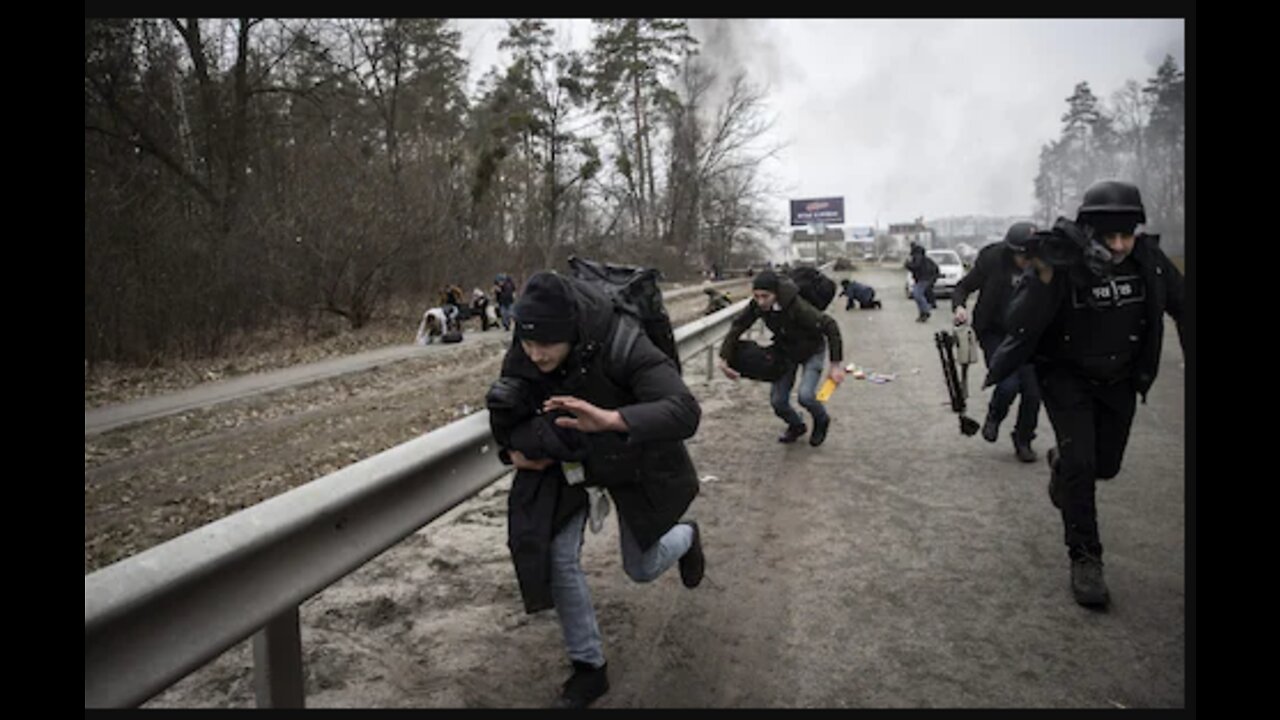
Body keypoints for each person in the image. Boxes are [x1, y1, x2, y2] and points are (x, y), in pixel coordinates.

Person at [488, 271, 706, 708]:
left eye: (545, 344)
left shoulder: (622, 341)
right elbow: (508, 413)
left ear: (570, 330)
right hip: (569, 455)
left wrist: (612, 420)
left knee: (641, 568)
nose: (535, 354)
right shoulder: (528, 346)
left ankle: (687, 537)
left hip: (631, 452)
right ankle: (589, 667)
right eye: (527, 343)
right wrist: (509, 453)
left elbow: (685, 411)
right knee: (557, 556)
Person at [985, 180, 1185, 609]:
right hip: (1067, 379)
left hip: (1119, 380)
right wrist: (1040, 278)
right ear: (1089, 232)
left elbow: (1183, 306)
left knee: (1105, 466)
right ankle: (1086, 558)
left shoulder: (1147, 260)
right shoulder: (1062, 263)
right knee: (1083, 464)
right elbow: (1017, 321)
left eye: (1125, 235)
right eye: (1108, 237)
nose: (1117, 246)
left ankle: (1062, 467)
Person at [716, 270, 846, 447]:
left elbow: (830, 325)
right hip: (786, 351)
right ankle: (796, 425)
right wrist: (724, 358)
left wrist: (835, 365)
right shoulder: (757, 305)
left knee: (806, 396)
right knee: (778, 402)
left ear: (776, 294)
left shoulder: (796, 305)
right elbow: (738, 325)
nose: (761, 301)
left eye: (765, 296)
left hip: (812, 349)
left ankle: (822, 419)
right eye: (756, 296)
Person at [952, 222, 1042, 462]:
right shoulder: (992, 259)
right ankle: (994, 416)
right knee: (1009, 383)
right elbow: (963, 287)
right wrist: (959, 307)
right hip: (994, 332)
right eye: (1022, 256)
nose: (1026, 261)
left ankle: (1023, 439)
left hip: (1029, 334)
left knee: (1033, 391)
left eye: (1031, 256)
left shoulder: (1045, 265)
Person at [905, 244, 939, 322]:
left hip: (924, 279)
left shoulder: (918, 257)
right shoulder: (925, 259)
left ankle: (926, 311)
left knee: (917, 294)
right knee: (918, 295)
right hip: (925, 279)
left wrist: (907, 265)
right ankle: (922, 313)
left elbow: (915, 266)